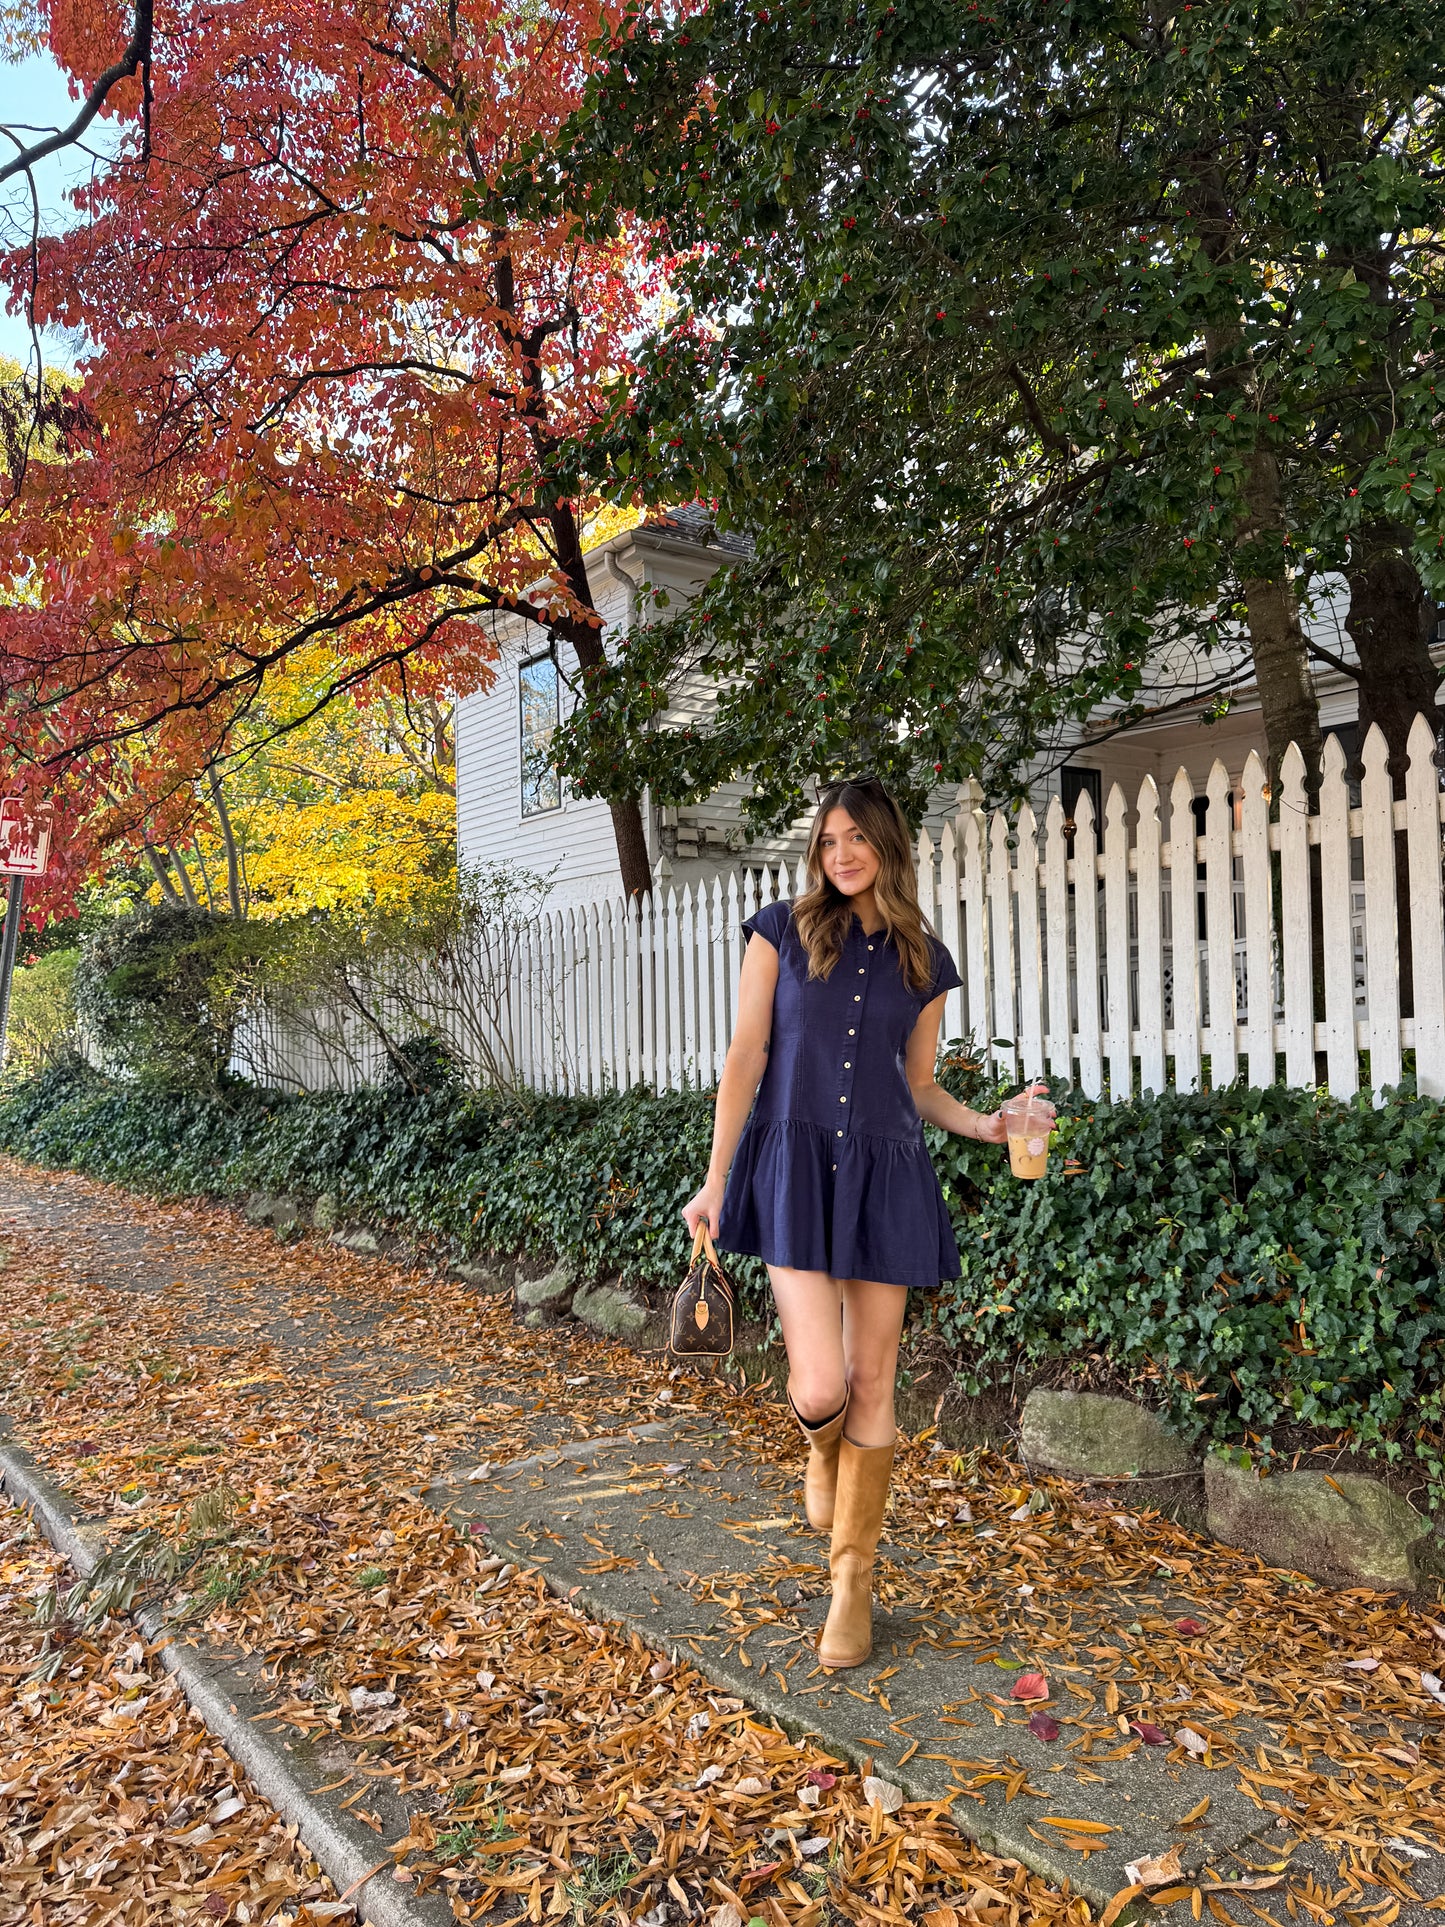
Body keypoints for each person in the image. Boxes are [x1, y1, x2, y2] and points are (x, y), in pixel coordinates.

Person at [683, 777, 1046, 1672]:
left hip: (886, 1171)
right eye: (828, 839)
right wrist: (715, 1178)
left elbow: (919, 1083)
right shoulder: (779, 929)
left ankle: (852, 1581)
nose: (840, 853)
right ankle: (819, 1450)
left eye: (856, 838)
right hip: (795, 1169)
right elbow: (748, 1052)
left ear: (888, 845)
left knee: (871, 1376)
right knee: (817, 1386)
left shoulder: (924, 958)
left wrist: (988, 1124)